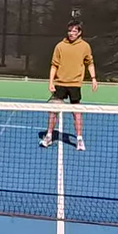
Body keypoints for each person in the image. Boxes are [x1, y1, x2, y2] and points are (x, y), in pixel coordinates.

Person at [43, 20, 97, 151]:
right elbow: (54, 65)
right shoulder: (60, 46)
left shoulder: (85, 46)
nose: (71, 33)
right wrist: (51, 82)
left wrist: (94, 78)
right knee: (53, 112)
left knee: (77, 112)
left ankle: (79, 139)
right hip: (60, 84)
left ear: (79, 33)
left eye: (74, 31)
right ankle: (49, 136)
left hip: (75, 85)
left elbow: (90, 63)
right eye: (69, 31)